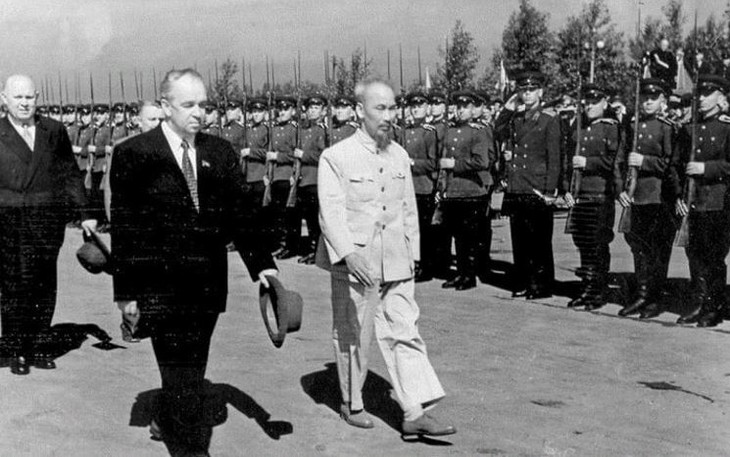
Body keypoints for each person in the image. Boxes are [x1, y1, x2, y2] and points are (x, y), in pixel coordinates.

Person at [110, 69, 278, 450]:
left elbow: (241, 214)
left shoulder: (219, 152)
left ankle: (169, 413)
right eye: (188, 104)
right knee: (180, 373)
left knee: (192, 367)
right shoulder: (135, 154)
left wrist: (264, 267)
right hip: (159, 285)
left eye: (203, 104)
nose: (199, 112)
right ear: (166, 106)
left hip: (207, 283)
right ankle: (190, 447)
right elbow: (125, 227)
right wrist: (126, 292)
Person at [316, 78, 455, 437]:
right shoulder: (337, 157)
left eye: (393, 108)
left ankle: (414, 411)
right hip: (355, 261)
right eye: (380, 108)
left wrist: (413, 254)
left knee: (404, 330)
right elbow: (330, 213)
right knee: (354, 333)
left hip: (396, 258)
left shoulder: (398, 156)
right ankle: (352, 402)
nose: (389, 116)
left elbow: (408, 208)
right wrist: (348, 255)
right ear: (359, 111)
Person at [0, 75, 95, 375]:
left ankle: (39, 345)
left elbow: (69, 173)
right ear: (4, 99)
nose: (24, 103)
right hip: (9, 221)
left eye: (29, 97)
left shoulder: (53, 130)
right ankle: (16, 349)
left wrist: (86, 213)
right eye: (18, 97)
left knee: (43, 283)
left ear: (37, 97)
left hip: (45, 221)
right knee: (14, 284)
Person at [494, 70, 561, 299]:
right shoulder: (516, 118)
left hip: (537, 186)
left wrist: (550, 190)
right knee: (520, 238)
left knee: (539, 240)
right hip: (518, 185)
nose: (528, 94)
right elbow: (497, 130)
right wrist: (507, 108)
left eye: (532, 90)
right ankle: (523, 280)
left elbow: (554, 158)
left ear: (540, 92)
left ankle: (541, 285)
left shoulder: (549, 119)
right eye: (523, 90)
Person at [616, 79, 677, 319]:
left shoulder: (667, 127)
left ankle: (655, 297)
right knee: (638, 248)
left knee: (658, 251)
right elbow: (621, 159)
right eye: (645, 98)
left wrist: (645, 162)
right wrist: (621, 189)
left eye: (653, 98)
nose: (648, 102)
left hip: (658, 197)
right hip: (636, 197)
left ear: (663, 101)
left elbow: (671, 163)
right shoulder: (632, 125)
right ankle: (642, 294)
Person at [674, 74, 730, 327]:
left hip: (718, 201)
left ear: (721, 97)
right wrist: (679, 195)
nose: (702, 99)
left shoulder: (726, 127)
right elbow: (677, 165)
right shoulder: (689, 128)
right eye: (700, 94)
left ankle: (714, 306)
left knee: (714, 257)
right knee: (694, 255)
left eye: (708, 94)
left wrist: (706, 168)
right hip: (692, 201)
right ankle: (699, 302)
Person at [564, 84, 621, 311]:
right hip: (580, 194)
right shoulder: (578, 128)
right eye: (586, 103)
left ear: (605, 103)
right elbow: (568, 159)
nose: (589, 106)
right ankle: (587, 288)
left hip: (600, 194)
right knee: (583, 242)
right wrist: (567, 189)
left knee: (598, 244)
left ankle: (598, 290)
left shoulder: (611, 128)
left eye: (594, 102)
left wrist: (588, 163)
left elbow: (614, 161)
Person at [439, 90, 493, 291]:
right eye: (458, 107)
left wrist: (455, 164)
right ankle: (461, 273)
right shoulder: (450, 130)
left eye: (465, 107)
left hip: (471, 190)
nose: (461, 111)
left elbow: (482, 161)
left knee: (469, 236)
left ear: (472, 109)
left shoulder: (477, 131)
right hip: (453, 190)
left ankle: (469, 276)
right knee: (457, 235)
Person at [402, 91, 438, 282]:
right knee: (407, 229)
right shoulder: (405, 131)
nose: (416, 109)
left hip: (423, 186)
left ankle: (426, 266)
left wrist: (413, 163)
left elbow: (433, 163)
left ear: (427, 108)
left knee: (424, 230)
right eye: (413, 106)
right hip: (406, 187)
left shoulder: (429, 132)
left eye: (420, 106)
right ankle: (412, 263)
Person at [294, 94, 327, 264]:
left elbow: (325, 155)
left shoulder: (322, 131)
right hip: (303, 179)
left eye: (316, 108)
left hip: (315, 178)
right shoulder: (304, 130)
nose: (312, 111)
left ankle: (317, 252)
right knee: (308, 217)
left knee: (315, 219)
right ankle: (312, 250)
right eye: (310, 108)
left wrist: (304, 155)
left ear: (323, 111)